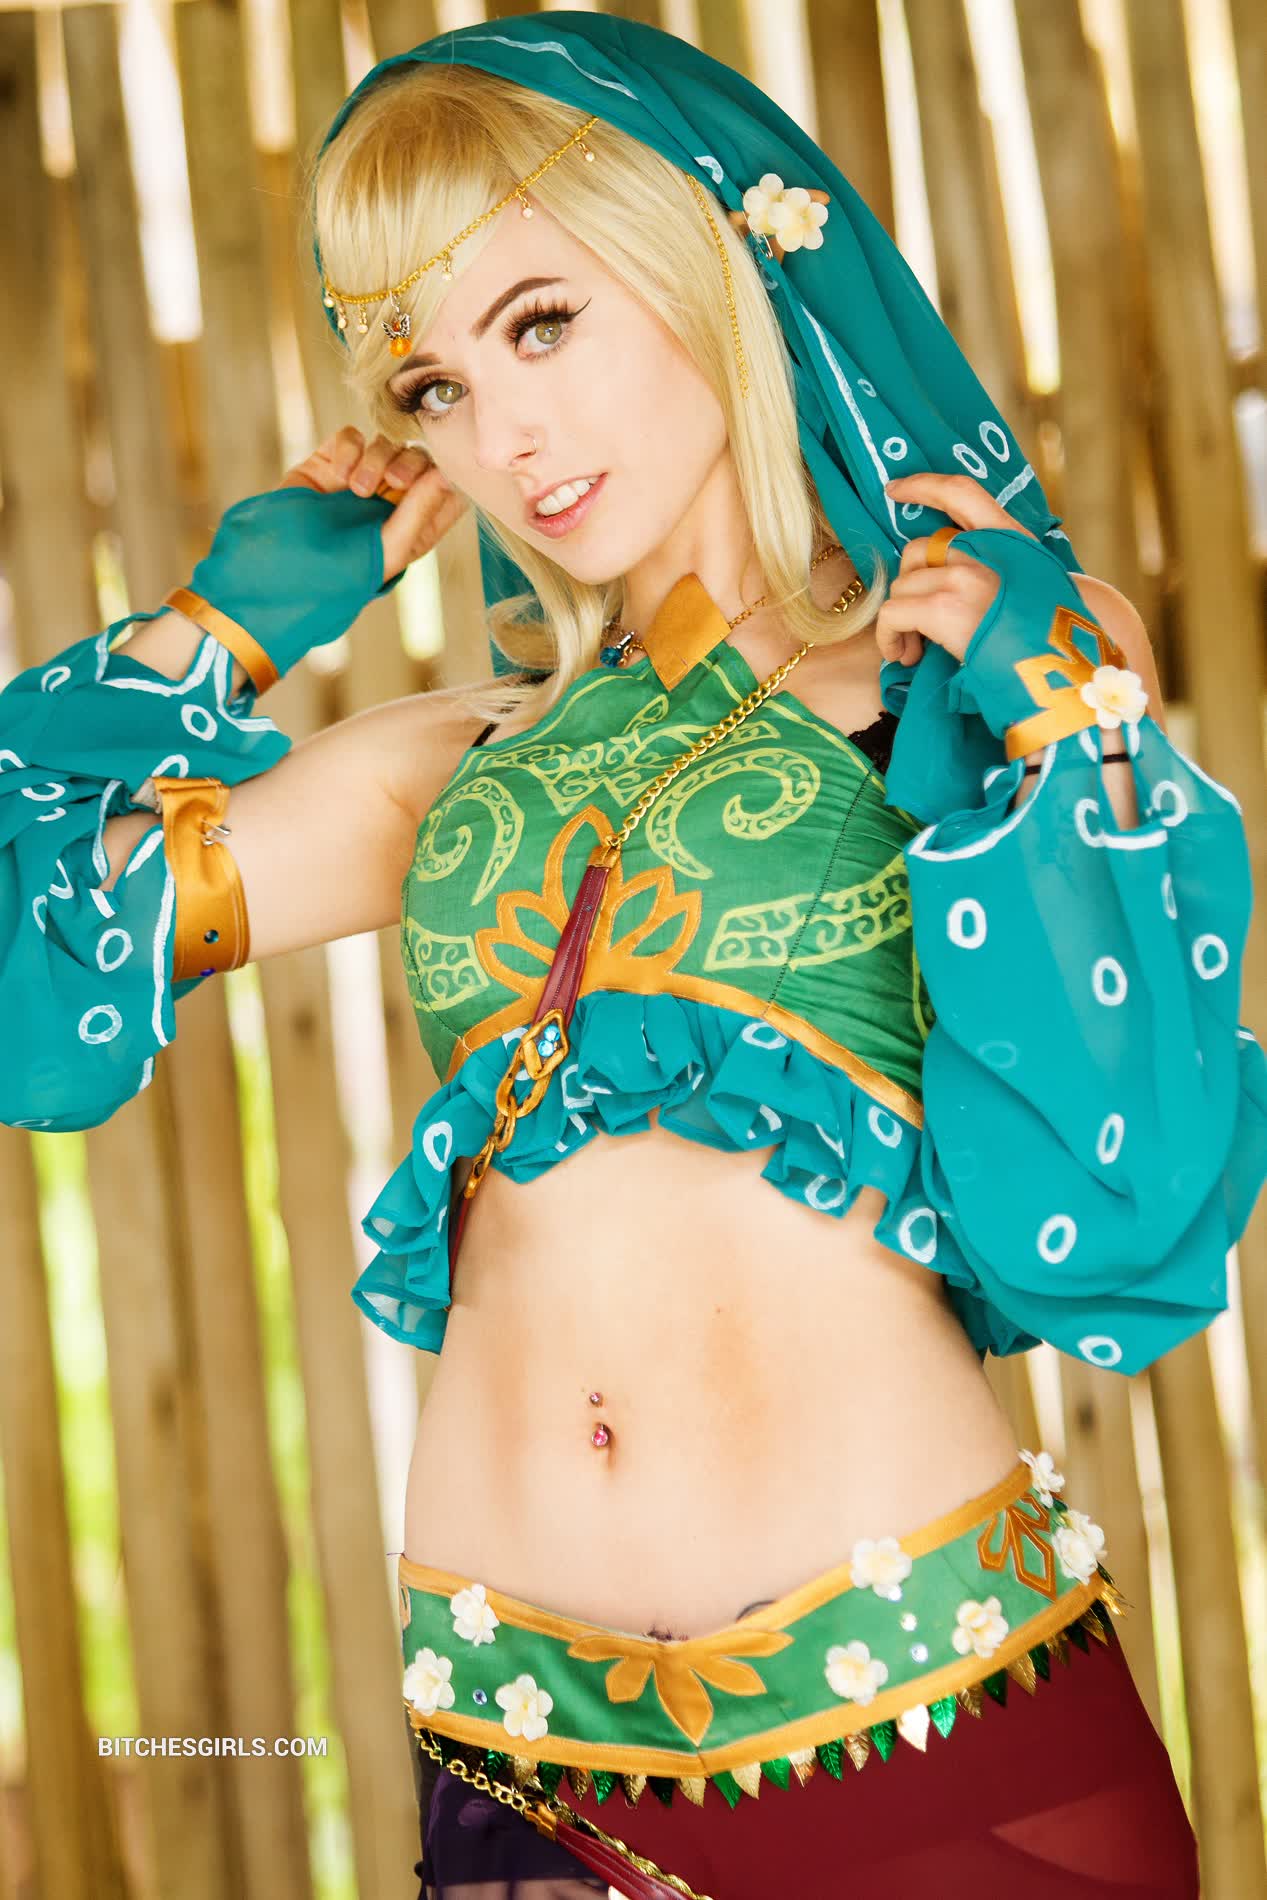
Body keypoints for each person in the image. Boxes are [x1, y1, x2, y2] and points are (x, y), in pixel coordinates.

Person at [3, 11, 1261, 1895]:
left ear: (705, 259)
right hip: (522, 1764)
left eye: (541, 323)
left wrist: (1057, 711)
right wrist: (218, 632)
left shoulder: (964, 680)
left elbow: (1139, 1183)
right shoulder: (457, 765)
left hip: (933, 1709)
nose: (501, 437)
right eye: (431, 385)